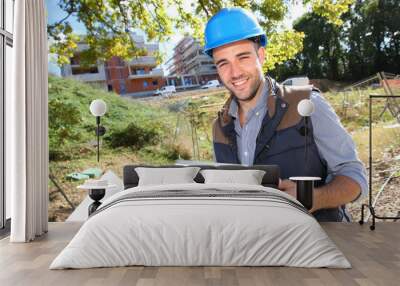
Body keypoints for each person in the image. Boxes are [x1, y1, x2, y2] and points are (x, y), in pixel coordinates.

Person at [204, 7, 368, 222]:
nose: (234, 73)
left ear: (260, 55)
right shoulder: (220, 128)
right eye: (223, 63)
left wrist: (313, 198)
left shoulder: (307, 105)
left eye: (242, 57)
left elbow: (356, 179)